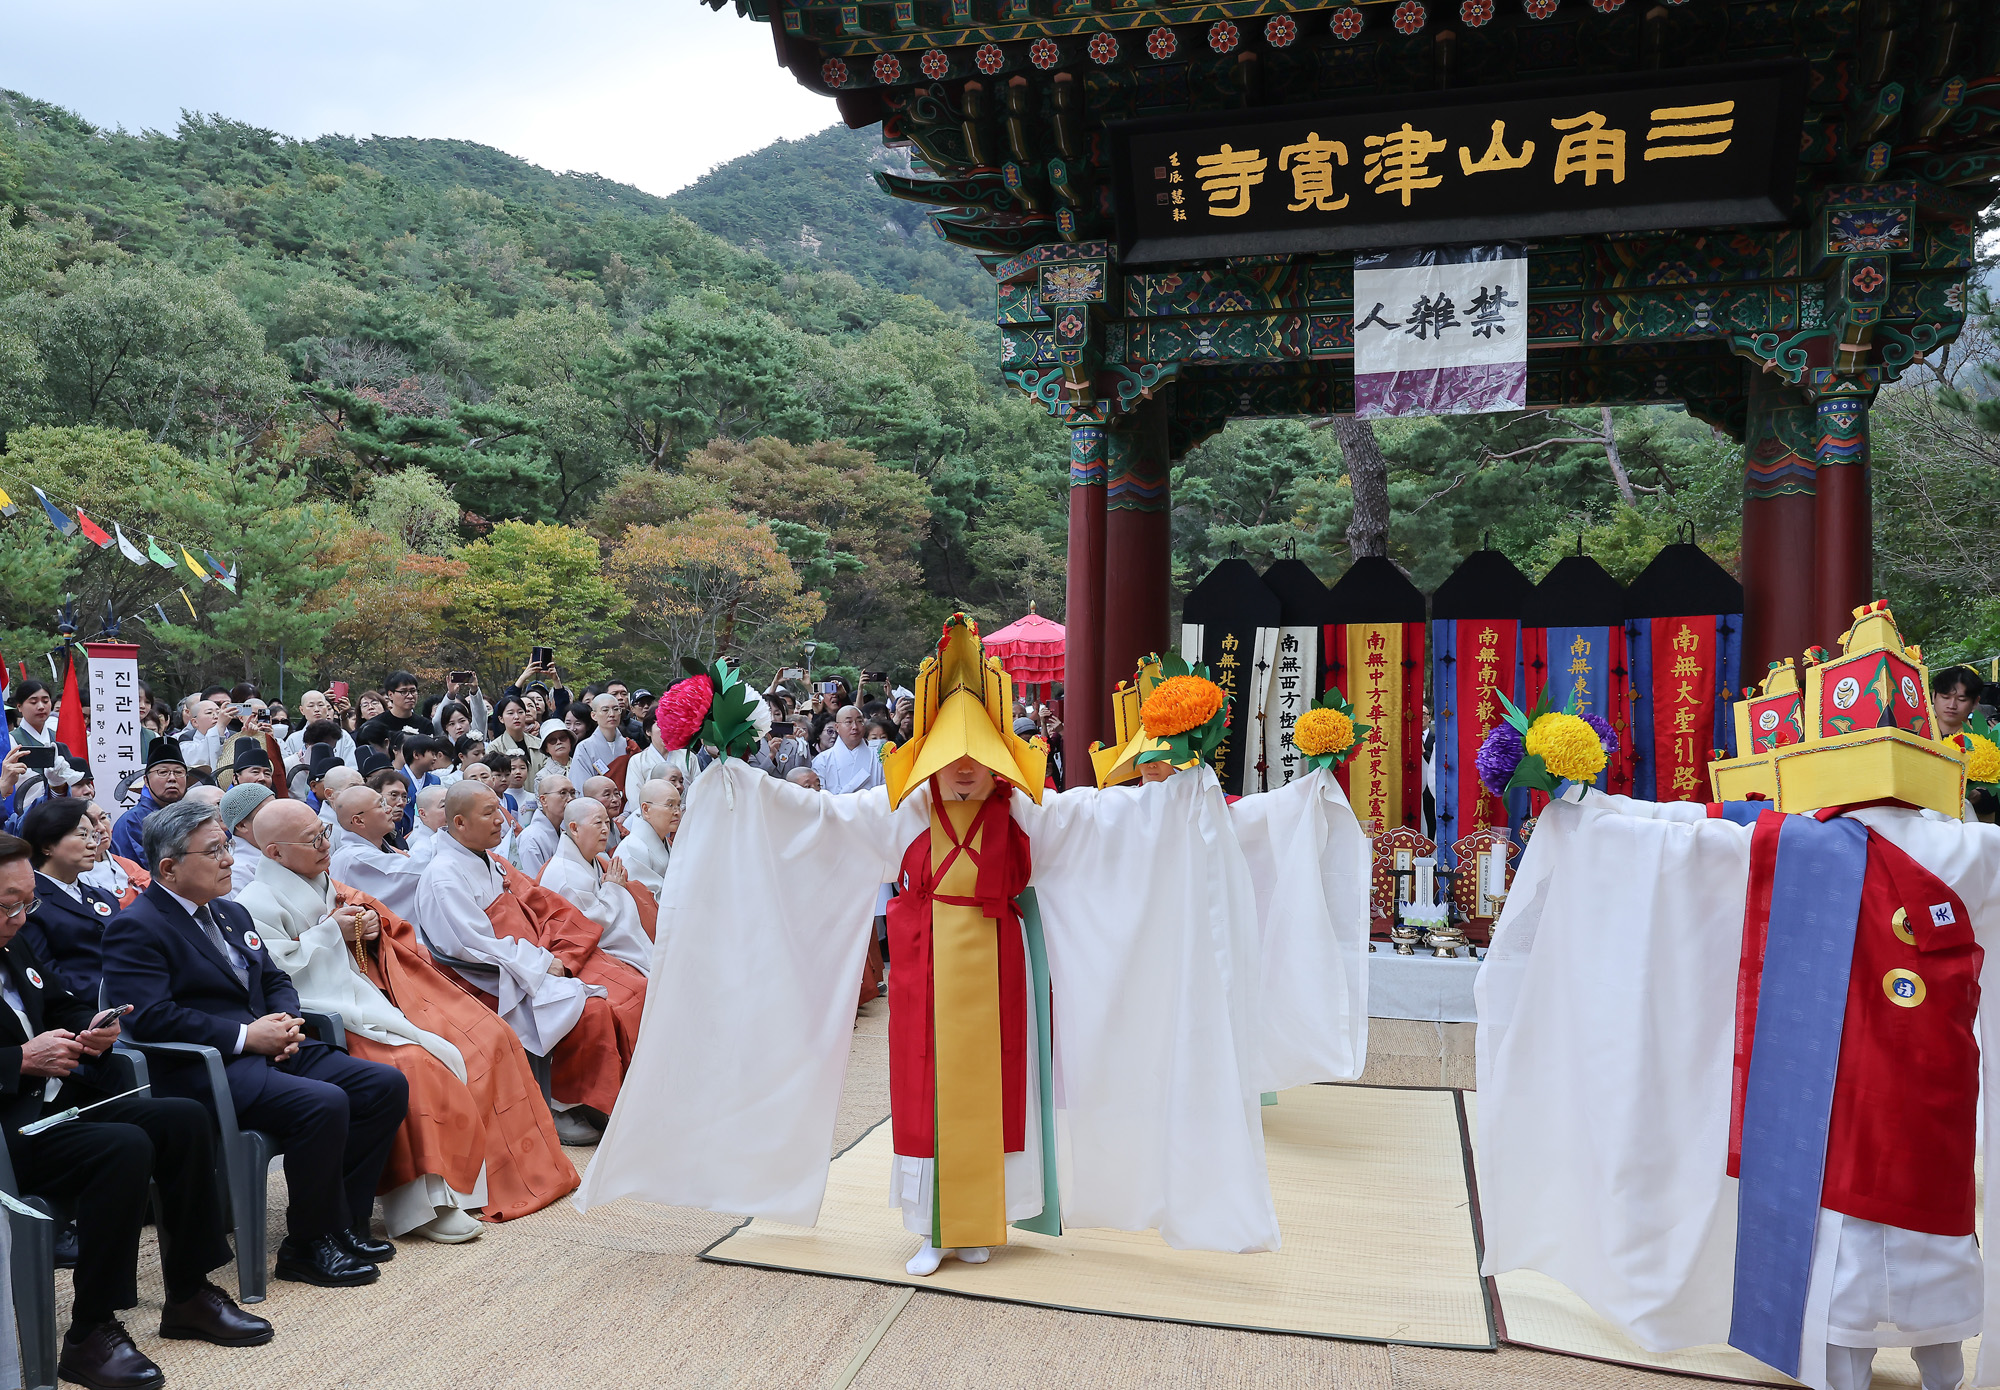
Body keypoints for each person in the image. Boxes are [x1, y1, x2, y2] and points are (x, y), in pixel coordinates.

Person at [577, 615, 1313, 1278]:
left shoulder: (1026, 808)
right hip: (926, 963)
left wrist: (1174, 791)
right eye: (952, 755)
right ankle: (931, 1225)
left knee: (1001, 1089)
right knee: (926, 1089)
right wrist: (741, 779)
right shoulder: (899, 807)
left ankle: (983, 1218)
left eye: (978, 755)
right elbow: (812, 821)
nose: (964, 769)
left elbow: (1108, 822)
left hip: (1000, 959)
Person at [0, 830, 275, 1389]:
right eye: (7, 905)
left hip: (55, 1105)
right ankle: (90, 1329)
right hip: (8, 1126)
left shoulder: (13, 941)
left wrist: (92, 1027)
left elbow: (63, 999)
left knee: (181, 1118)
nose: (21, 917)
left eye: (27, 903)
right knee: (123, 1148)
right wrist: (17, 1059)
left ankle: (188, 1291)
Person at [101, 800, 411, 1288]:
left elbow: (274, 978)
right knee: (323, 1103)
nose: (229, 859)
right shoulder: (136, 928)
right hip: (207, 1068)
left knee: (382, 1085)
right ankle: (306, 1246)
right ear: (169, 867)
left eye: (227, 846)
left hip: (269, 1046)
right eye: (214, 851)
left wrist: (284, 1021)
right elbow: (152, 1017)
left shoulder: (229, 911)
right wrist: (247, 1037)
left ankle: (341, 1223)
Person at [240, 797, 578, 1240]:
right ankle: (427, 1204)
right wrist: (330, 933)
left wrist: (370, 928)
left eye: (324, 834)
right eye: (313, 840)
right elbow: (272, 971)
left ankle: (491, 1179)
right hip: (328, 1018)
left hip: (370, 995)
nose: (326, 845)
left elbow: (378, 932)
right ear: (273, 852)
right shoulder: (254, 900)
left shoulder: (320, 878)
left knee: (490, 1035)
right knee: (418, 1066)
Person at [413, 782, 648, 1146]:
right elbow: (471, 947)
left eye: (499, 808)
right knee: (593, 1007)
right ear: (459, 822)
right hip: (491, 981)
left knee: (627, 988)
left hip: (526, 958)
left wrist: (555, 948)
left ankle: (623, 1094)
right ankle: (562, 1102)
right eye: (489, 813)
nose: (503, 819)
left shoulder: (486, 857)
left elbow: (536, 904)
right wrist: (542, 964)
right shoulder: (443, 874)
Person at [18, 798, 122, 1000]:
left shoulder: (103, 896)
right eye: (82, 835)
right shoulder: (29, 902)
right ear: (47, 845)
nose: (93, 844)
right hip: (83, 1009)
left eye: (93, 836)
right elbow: (45, 972)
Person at [537, 797, 654, 973]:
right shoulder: (566, 874)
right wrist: (614, 889)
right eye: (598, 823)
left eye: (607, 822)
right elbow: (592, 926)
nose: (606, 829)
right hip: (585, 951)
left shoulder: (595, 860)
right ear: (574, 828)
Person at [108, 740, 188, 868]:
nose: (172, 778)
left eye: (178, 772)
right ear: (146, 780)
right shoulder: (131, 822)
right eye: (163, 772)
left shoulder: (193, 817)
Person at [614, 780, 678, 896]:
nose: (677, 812)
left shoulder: (665, 842)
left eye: (678, 805)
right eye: (670, 805)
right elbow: (646, 900)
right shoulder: (632, 848)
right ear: (646, 809)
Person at [80, 803, 149, 909]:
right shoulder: (72, 876)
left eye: (103, 818)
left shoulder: (127, 865)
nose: (102, 828)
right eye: (91, 823)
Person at [812, 705, 886, 794]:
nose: (855, 726)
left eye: (859, 721)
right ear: (837, 727)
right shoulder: (822, 760)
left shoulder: (879, 758)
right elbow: (820, 796)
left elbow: (885, 792)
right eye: (848, 722)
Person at [514, 769, 573, 880]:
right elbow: (533, 884)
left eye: (573, 793)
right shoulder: (531, 838)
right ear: (543, 800)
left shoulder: (564, 834)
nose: (570, 799)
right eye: (563, 793)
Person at [220, 783, 275, 897]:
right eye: (268, 812)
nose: (279, 816)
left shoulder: (282, 851)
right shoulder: (236, 874)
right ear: (241, 826)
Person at [283, 694, 357, 769]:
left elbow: (351, 766)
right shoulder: (293, 739)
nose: (317, 709)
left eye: (321, 705)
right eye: (311, 706)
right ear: (302, 710)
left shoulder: (343, 735)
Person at [487, 696, 542, 786]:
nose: (516, 717)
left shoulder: (539, 744)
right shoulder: (494, 748)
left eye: (520, 712)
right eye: (510, 713)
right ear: (501, 719)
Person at [573, 694, 628, 783]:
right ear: (594, 715)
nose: (612, 714)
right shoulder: (584, 748)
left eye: (616, 709)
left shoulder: (629, 746)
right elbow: (580, 783)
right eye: (605, 710)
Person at [407, 785, 448, 866]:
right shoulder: (421, 851)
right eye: (444, 806)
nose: (452, 810)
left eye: (452, 805)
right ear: (423, 813)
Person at [581, 775, 624, 850]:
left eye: (616, 793)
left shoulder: (616, 826)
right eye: (607, 795)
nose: (615, 799)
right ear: (591, 800)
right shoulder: (589, 833)